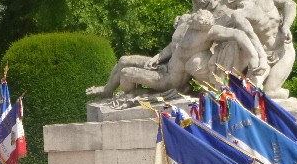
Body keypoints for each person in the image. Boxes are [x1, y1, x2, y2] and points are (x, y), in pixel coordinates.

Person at [86, 10, 259, 98]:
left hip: (169, 80)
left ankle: (131, 93)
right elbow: (172, 47)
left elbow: (239, 34)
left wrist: (254, 58)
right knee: (124, 60)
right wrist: (157, 57)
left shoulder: (210, 31)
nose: (197, 26)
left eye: (200, 26)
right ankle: (107, 89)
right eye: (197, 21)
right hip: (163, 66)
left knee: (126, 73)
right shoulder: (186, 25)